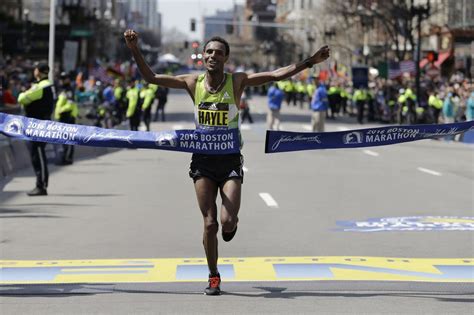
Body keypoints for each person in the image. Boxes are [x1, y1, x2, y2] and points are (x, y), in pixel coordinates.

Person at [124, 29, 330, 295]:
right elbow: (151, 77)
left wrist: (310, 62)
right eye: (209, 52)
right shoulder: (192, 83)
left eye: (218, 53)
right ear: (203, 57)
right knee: (210, 223)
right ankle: (213, 275)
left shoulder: (237, 82)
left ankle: (231, 225)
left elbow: (276, 74)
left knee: (227, 221)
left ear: (226, 58)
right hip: (203, 161)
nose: (213, 56)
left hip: (230, 161)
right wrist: (134, 49)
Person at [17, 62, 55, 196]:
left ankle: (41, 185)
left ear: (38, 71)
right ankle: (40, 184)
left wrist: (24, 93)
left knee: (38, 153)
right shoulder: (46, 85)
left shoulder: (41, 86)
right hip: (39, 124)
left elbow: (22, 98)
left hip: (38, 126)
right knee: (36, 154)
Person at [54, 73, 78, 165]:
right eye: (61, 78)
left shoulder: (69, 90)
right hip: (62, 117)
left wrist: (61, 110)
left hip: (68, 116)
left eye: (64, 78)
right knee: (63, 139)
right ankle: (64, 157)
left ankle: (68, 158)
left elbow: (70, 104)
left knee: (69, 139)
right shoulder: (62, 90)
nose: (62, 80)